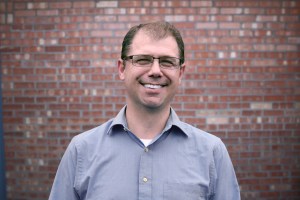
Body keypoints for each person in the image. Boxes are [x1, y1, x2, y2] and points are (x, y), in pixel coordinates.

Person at [49, 21, 240, 200]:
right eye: (143, 60)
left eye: (167, 61)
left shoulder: (212, 153)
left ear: (180, 73)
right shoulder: (81, 151)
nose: (156, 71)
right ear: (122, 68)